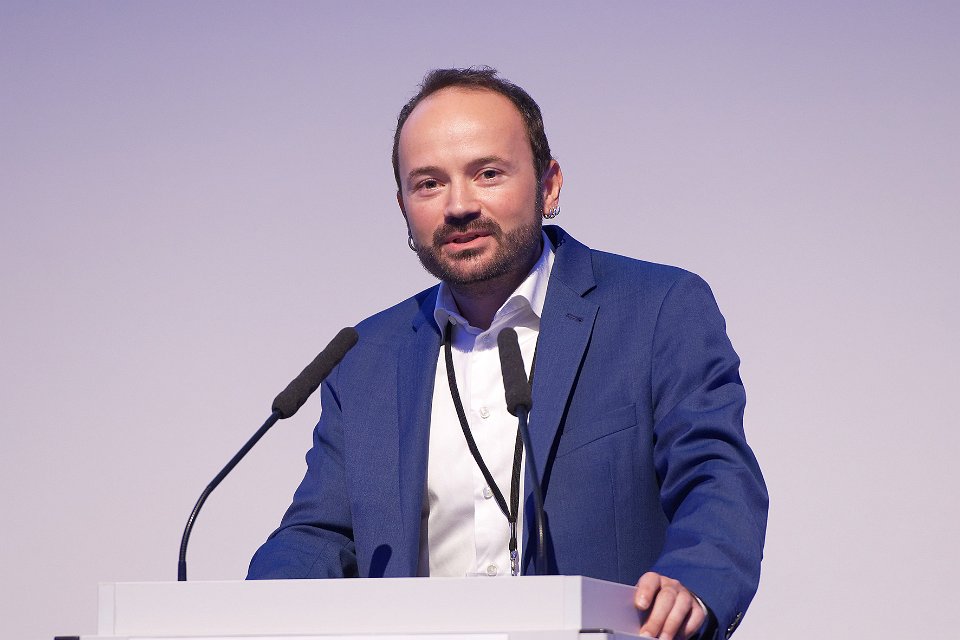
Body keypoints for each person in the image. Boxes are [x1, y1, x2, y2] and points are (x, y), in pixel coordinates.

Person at [248, 67, 768, 640]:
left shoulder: (657, 309)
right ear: (403, 208)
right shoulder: (365, 356)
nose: (458, 205)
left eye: (488, 173)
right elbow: (321, 535)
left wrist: (695, 582)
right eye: (429, 184)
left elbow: (715, 477)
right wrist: (245, 612)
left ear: (550, 185)